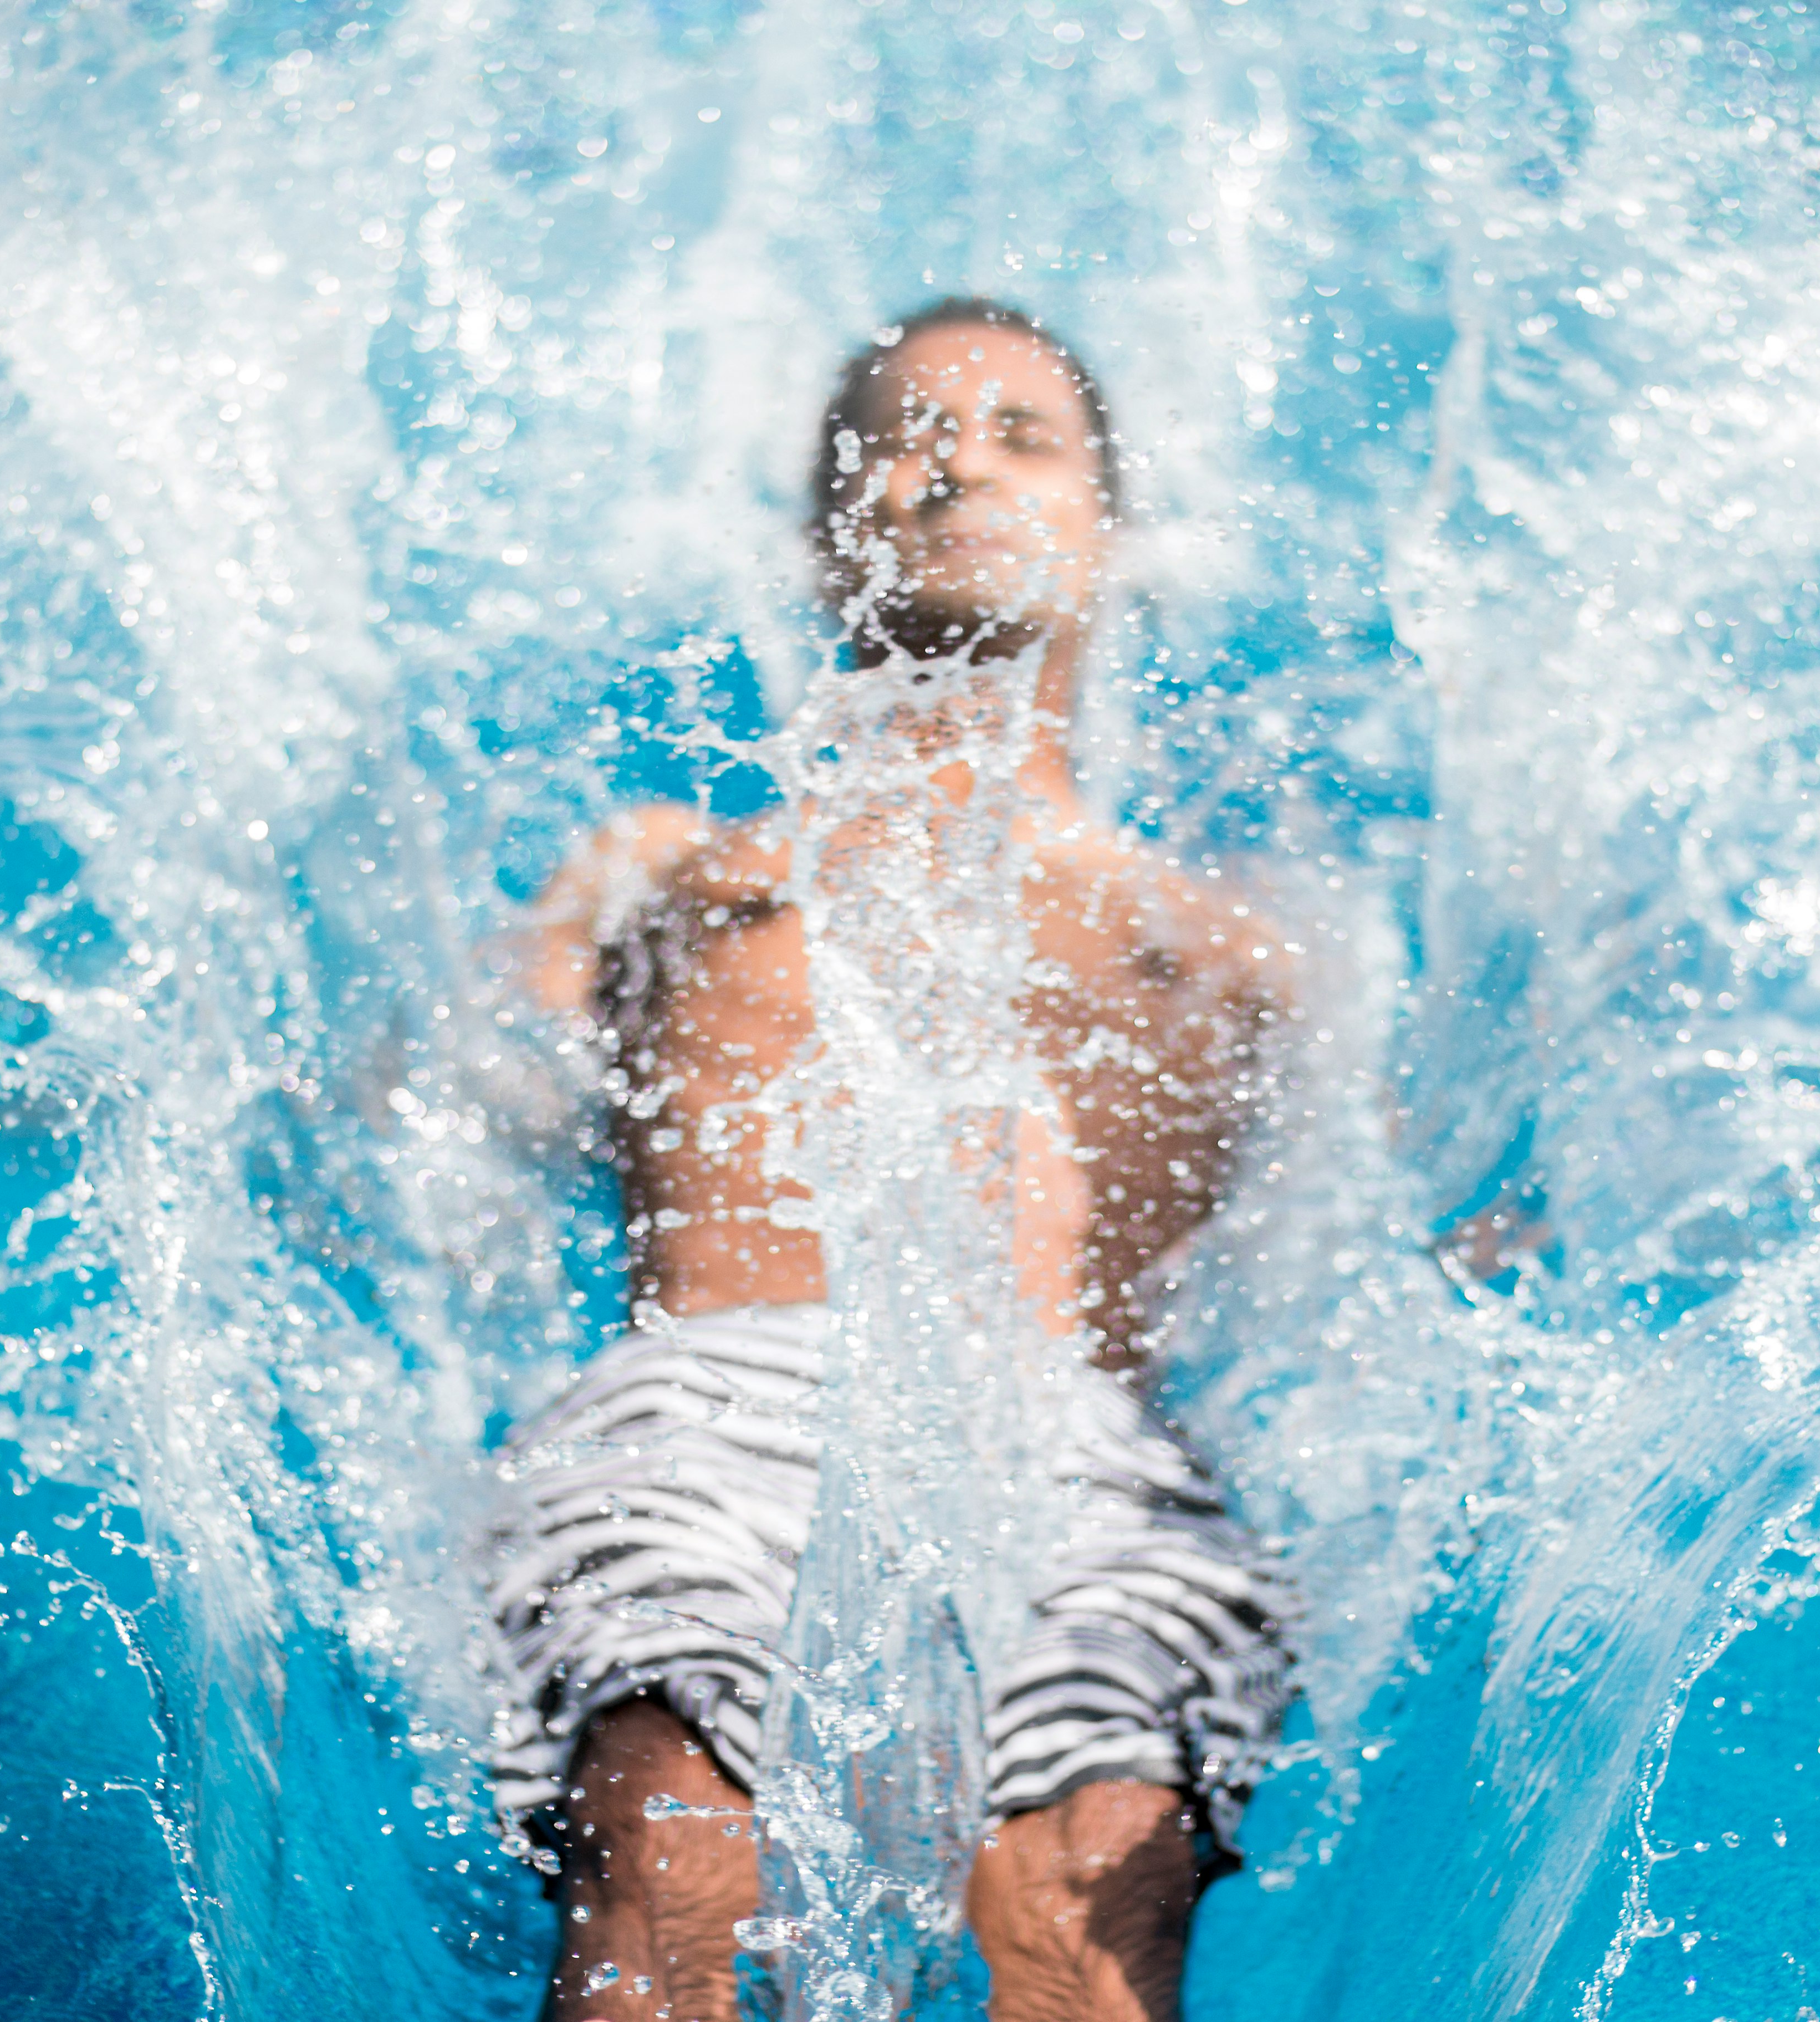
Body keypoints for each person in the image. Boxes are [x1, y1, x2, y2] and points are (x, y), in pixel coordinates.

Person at [489, 299, 1298, 2022]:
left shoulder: (1213, 946)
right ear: (823, 533)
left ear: (1111, 527)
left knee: (1087, 1903)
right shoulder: (673, 863)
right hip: (713, 1411)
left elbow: (1369, 1257)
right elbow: (445, 1123)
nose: (955, 470)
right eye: (907, 435)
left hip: (1078, 1458)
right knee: (674, 1850)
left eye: (1024, 438)